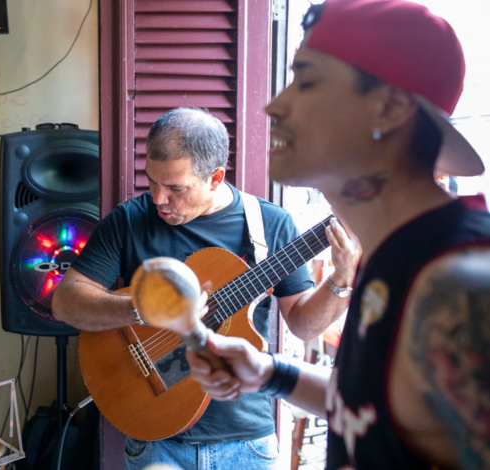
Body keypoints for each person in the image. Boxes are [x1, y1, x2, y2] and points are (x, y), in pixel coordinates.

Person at [186, 1, 490, 469]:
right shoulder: (393, 256)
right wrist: (266, 372)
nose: (274, 105)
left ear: (388, 108)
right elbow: (380, 410)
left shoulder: (459, 283)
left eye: (306, 81)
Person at [52, 107, 361, 469]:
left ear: (215, 178)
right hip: (157, 439)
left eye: (175, 188)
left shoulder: (270, 225)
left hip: (247, 444)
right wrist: (141, 308)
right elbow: (65, 302)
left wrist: (341, 280)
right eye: (151, 181)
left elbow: (305, 325)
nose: (157, 198)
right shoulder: (129, 220)